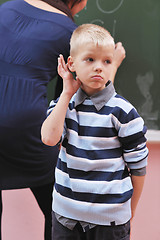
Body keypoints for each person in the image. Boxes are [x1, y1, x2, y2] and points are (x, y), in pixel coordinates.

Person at [0, 0, 125, 239]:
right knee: (61, 207)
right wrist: (112, 64)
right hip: (26, 128)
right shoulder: (69, 33)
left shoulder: (6, 8)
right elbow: (83, 96)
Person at [41, 23, 149, 240]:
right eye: (90, 59)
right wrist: (65, 93)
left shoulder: (124, 113)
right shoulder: (64, 106)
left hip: (109, 221)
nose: (99, 67)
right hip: (66, 217)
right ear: (71, 64)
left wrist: (131, 208)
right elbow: (49, 138)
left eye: (107, 61)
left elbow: (138, 168)